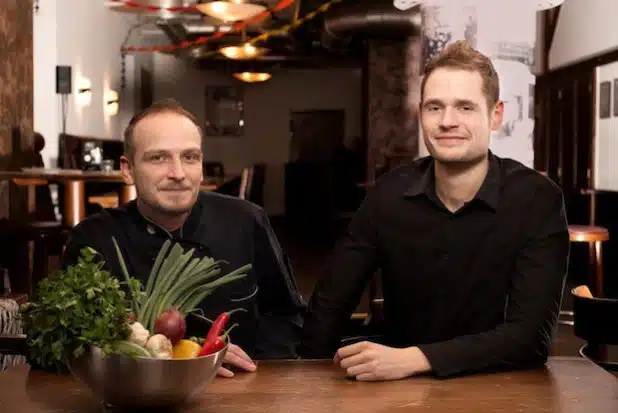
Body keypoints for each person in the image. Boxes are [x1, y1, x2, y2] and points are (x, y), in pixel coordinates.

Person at [298, 41, 570, 380]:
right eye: (434, 107)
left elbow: (531, 338)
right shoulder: (388, 194)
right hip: (398, 389)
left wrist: (414, 359)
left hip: (500, 382)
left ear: (495, 114)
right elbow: (330, 304)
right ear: (421, 113)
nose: (447, 121)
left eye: (465, 108)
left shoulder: (537, 199)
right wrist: (303, 380)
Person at [62, 99, 305, 377]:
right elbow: (77, 345)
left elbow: (285, 314)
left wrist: (261, 372)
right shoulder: (95, 239)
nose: (178, 173)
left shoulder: (246, 221)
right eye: (158, 158)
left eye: (190, 157)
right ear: (128, 170)